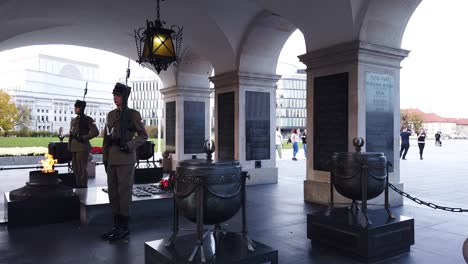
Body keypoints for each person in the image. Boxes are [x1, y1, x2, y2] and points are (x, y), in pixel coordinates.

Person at [101, 83, 148, 241]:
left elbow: (143, 136)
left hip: (126, 159)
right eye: (114, 94)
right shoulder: (111, 115)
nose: (115, 97)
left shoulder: (133, 114)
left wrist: (129, 145)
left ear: (125, 97)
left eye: (118, 95)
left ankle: (124, 227)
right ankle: (116, 225)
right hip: (112, 158)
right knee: (113, 193)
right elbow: (106, 139)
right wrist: (105, 158)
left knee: (124, 193)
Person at [68, 99, 99, 188]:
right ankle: (78, 186)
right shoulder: (73, 120)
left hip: (82, 147)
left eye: (77, 107)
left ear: (81, 109)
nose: (75, 109)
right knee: (76, 169)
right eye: (75, 107)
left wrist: (83, 137)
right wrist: (69, 147)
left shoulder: (87, 119)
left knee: (82, 170)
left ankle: (83, 187)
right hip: (74, 147)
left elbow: (95, 132)